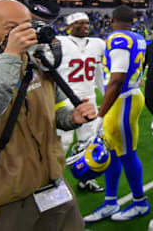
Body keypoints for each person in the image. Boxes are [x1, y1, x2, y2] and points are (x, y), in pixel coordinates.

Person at [0, 0, 95, 230]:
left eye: (26, 24)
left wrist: (71, 118)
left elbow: (51, 114)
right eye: (10, 26)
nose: (22, 32)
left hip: (53, 182)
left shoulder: (38, 62)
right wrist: (12, 54)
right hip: (6, 194)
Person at [84, 5, 150, 223]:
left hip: (123, 100)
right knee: (112, 151)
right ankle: (110, 200)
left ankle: (140, 202)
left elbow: (117, 78)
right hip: (125, 98)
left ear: (112, 20)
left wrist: (101, 113)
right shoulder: (136, 37)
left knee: (127, 153)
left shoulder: (118, 38)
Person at [55, 12, 106, 193]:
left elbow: (99, 71)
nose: (85, 26)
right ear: (70, 26)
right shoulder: (59, 43)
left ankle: (86, 180)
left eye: (86, 22)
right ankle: (55, 182)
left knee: (88, 143)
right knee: (63, 142)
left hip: (88, 98)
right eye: (80, 23)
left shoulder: (97, 44)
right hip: (65, 99)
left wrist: (106, 94)